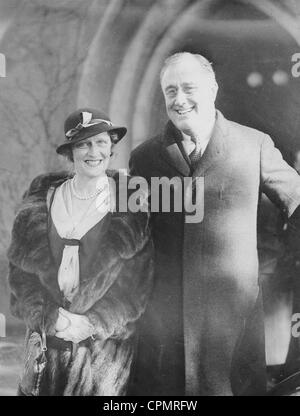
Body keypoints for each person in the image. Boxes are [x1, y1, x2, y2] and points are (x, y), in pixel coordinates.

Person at [129, 52, 300, 396]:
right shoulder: (144, 158)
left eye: (189, 88)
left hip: (233, 330)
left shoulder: (254, 146)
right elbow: (130, 237)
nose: (180, 100)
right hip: (167, 332)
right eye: (170, 91)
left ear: (212, 90)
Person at [7, 108, 153, 396]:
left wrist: (92, 323)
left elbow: (136, 288)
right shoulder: (39, 202)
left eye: (101, 142)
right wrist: (48, 317)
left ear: (111, 148)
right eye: (83, 143)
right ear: (70, 152)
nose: (93, 151)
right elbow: (20, 278)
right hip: (44, 352)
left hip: (103, 357)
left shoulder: (132, 205)